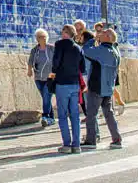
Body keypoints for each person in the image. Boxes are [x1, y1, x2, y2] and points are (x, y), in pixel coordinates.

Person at [80, 27, 122, 149]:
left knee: (91, 114)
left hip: (97, 86)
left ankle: (91, 140)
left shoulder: (102, 50)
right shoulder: (115, 51)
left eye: (103, 33)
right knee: (109, 113)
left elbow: (86, 51)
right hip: (108, 87)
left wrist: (93, 39)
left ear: (108, 37)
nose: (100, 34)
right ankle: (116, 138)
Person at [47, 22, 84, 154]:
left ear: (65, 33)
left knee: (62, 115)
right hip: (74, 84)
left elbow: (56, 63)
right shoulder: (78, 48)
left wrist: (53, 74)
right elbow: (83, 68)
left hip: (62, 83)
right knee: (75, 115)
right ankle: (77, 144)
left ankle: (67, 144)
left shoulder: (59, 44)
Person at [27, 29, 55, 126]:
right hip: (38, 77)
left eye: (43, 37)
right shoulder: (35, 50)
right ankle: (51, 118)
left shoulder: (52, 48)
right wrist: (29, 70)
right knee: (45, 98)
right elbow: (30, 61)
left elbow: (57, 60)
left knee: (47, 96)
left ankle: (45, 116)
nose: (41, 39)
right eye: (39, 37)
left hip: (50, 77)